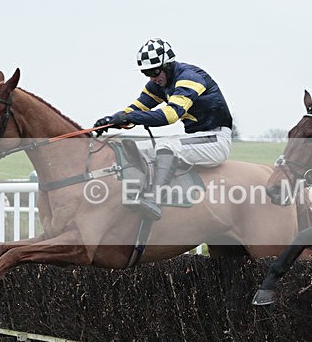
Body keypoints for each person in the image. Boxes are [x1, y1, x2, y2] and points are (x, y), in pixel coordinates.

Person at [93, 38, 233, 220]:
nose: (152, 78)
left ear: (167, 66)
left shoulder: (190, 78)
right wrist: (112, 120)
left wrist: (129, 118)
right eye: (146, 73)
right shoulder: (159, 83)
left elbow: (170, 115)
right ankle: (134, 194)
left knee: (166, 145)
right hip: (196, 139)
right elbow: (138, 108)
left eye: (154, 71)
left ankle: (155, 201)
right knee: (138, 147)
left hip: (215, 140)